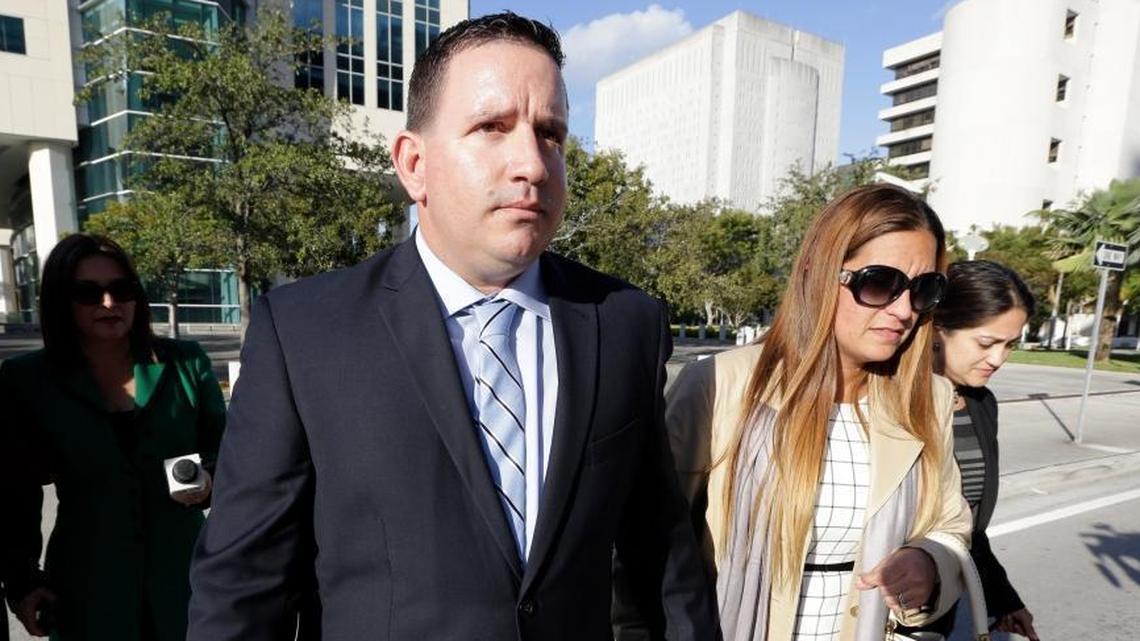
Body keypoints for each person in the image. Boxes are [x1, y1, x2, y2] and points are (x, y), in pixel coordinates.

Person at [187, 12, 719, 641]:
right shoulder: (307, 332)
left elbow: (660, 552)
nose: (533, 164)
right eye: (491, 127)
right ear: (414, 164)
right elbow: (244, 586)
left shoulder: (625, 322)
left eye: (550, 133)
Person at [656, 184, 972, 641]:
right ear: (818, 274)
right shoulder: (720, 385)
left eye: (924, 290)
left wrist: (930, 562)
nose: (904, 311)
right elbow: (649, 541)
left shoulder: (929, 400)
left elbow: (952, 524)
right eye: (881, 283)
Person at [0, 233, 226, 641]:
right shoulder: (25, 380)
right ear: (59, 301)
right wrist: (22, 581)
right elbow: (16, 492)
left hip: (187, 585)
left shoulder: (187, 361)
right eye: (88, 293)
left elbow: (232, 452)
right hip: (87, 592)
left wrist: (208, 478)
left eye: (122, 289)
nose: (109, 303)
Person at [899, 260, 1039, 641]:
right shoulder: (890, 399)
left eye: (1009, 344)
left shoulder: (981, 403)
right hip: (877, 601)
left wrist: (1004, 599)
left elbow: (969, 527)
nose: (998, 359)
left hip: (939, 605)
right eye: (986, 342)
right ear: (939, 328)